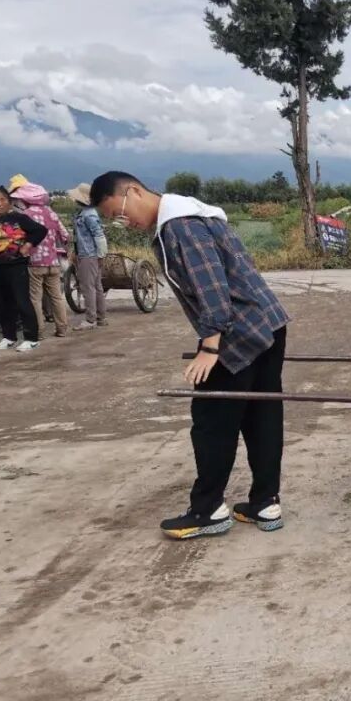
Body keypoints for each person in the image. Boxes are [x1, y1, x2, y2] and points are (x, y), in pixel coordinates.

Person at [89, 171, 290, 540]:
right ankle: (265, 502)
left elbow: (212, 290)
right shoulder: (197, 214)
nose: (123, 222)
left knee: (211, 418)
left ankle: (208, 510)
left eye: (118, 212)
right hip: (269, 323)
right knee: (261, 413)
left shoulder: (179, 226)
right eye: (113, 219)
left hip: (238, 332)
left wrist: (210, 347)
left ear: (134, 191)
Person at [0, 186, 47, 351]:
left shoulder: (19, 218)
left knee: (22, 301)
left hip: (15, 266)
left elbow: (40, 230)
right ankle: (8, 336)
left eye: (2, 199)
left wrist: (28, 245)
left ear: (9, 201)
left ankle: (31, 338)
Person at [13, 182, 71, 339]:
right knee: (56, 297)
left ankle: (38, 331)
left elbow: (18, 238)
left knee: (35, 299)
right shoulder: (51, 213)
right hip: (53, 262)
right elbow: (65, 235)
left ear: (25, 199)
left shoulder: (25, 215)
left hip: (35, 263)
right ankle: (62, 329)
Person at [68, 183, 109, 330]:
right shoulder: (88, 213)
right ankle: (101, 317)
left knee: (88, 287)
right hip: (90, 254)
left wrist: (101, 254)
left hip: (88, 255)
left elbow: (99, 235)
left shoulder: (88, 214)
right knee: (96, 287)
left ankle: (91, 319)